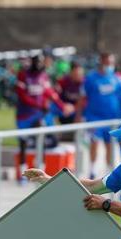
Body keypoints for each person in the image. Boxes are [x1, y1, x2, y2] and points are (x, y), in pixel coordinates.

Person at [14, 54, 73, 183]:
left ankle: (41, 171)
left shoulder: (43, 76)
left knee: (42, 136)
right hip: (24, 116)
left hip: (38, 115)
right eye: (38, 63)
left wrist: (62, 107)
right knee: (23, 144)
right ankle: (23, 174)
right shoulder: (23, 75)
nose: (41, 65)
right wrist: (40, 105)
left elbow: (50, 93)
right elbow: (22, 96)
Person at [82, 52, 121, 178]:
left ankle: (109, 170)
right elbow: (83, 97)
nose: (109, 65)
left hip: (111, 119)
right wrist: (80, 116)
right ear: (101, 62)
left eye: (111, 63)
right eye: (107, 63)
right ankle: (92, 169)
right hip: (94, 117)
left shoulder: (117, 78)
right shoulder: (91, 78)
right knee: (94, 142)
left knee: (110, 144)